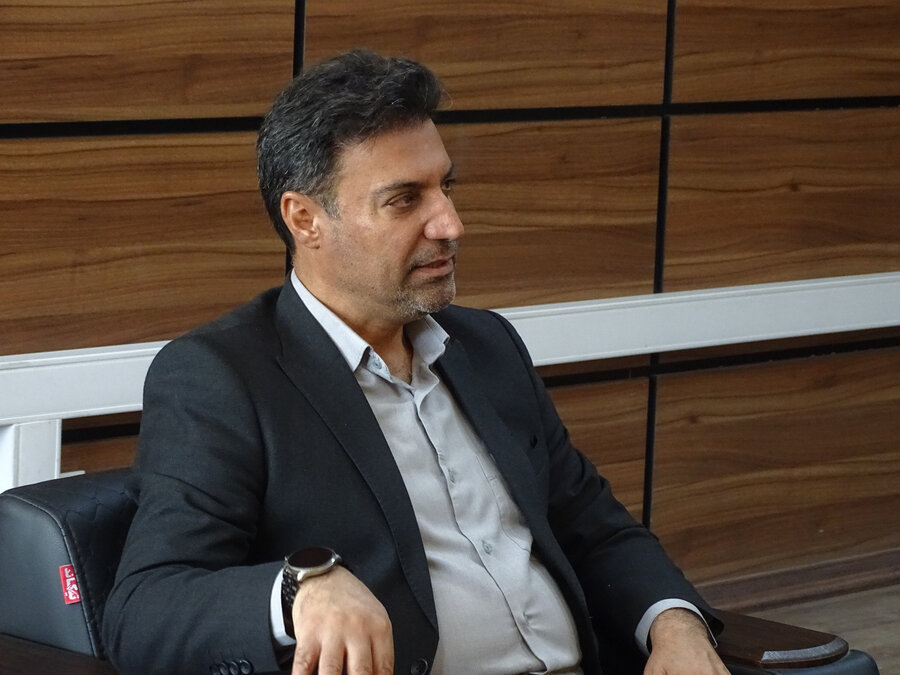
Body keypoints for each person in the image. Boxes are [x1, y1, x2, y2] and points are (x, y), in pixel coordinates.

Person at [101, 50, 729, 675]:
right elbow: (145, 610)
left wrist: (675, 626)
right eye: (404, 200)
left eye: (445, 187)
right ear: (306, 220)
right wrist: (297, 590)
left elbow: (594, 528)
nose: (450, 224)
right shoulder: (224, 378)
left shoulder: (487, 346)